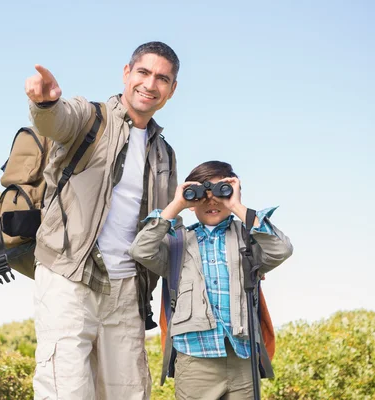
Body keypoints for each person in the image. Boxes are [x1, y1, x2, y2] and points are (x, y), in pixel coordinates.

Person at [24, 41, 180, 400]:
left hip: (126, 288)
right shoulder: (91, 118)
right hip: (68, 276)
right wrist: (44, 103)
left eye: (162, 78)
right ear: (127, 74)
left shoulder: (164, 153)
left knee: (129, 393)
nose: (150, 84)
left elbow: (168, 229)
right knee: (65, 390)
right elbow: (57, 121)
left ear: (171, 90)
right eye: (143, 72)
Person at [130, 160, 294, 399]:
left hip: (242, 356)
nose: (212, 201)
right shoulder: (177, 242)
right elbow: (140, 250)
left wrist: (237, 206)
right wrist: (176, 204)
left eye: (220, 192)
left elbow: (281, 249)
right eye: (202, 195)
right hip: (195, 358)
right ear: (191, 203)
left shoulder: (249, 237)